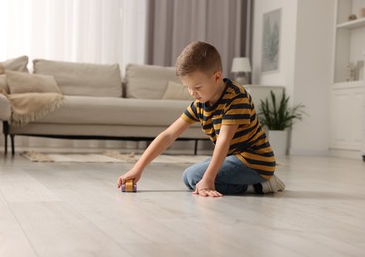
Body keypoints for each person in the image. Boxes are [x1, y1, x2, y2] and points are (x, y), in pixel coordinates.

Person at [117, 41, 285, 197]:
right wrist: (137, 169)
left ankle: (261, 185)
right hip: (234, 157)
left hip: (255, 163)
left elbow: (223, 141)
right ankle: (242, 182)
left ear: (217, 77)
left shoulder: (236, 98)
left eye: (197, 87)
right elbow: (168, 135)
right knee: (195, 174)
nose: (192, 93)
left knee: (193, 176)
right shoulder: (200, 103)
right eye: (188, 88)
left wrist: (208, 179)